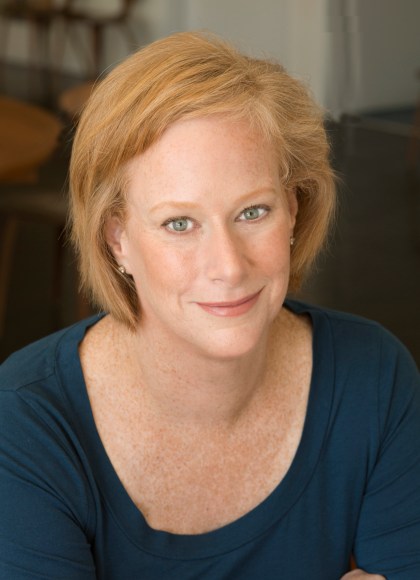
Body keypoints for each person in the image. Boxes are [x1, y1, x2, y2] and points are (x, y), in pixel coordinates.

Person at [0, 31, 419, 580]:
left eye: (253, 212)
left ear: (294, 208)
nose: (228, 266)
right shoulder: (26, 425)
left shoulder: (374, 378)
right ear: (117, 238)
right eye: (179, 223)